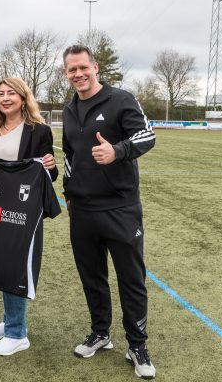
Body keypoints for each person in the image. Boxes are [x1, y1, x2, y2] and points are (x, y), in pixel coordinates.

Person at [61, 44, 157, 379]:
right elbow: (69, 156)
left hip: (120, 208)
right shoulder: (69, 109)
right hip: (82, 210)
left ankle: (137, 345)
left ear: (95, 67)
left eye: (83, 67)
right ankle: (100, 333)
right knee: (92, 278)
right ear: (66, 73)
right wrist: (68, 193)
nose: (78, 74)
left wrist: (117, 151)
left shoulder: (121, 99)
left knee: (131, 279)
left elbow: (147, 136)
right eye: (72, 70)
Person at [0, 77, 58, 356]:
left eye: (11, 94)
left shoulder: (39, 130)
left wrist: (51, 165)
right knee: (1, 261)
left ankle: (17, 333)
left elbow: (49, 175)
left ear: (23, 98)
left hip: (22, 210)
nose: (5, 98)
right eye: (1, 94)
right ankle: (10, 319)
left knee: (16, 264)